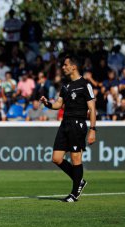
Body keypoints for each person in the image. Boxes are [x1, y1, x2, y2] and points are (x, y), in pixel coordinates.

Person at [40, 55, 96, 202]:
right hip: (65, 123)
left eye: (65, 65)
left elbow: (92, 108)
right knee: (56, 158)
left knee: (75, 158)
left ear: (73, 67)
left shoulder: (85, 84)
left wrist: (93, 129)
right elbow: (58, 104)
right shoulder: (65, 85)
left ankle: (74, 194)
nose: (63, 67)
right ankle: (80, 182)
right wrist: (47, 104)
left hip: (78, 124)